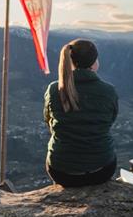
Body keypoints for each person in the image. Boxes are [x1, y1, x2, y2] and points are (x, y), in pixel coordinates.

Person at [43, 39, 119, 187]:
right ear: (94, 62)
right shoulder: (108, 91)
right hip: (101, 170)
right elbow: (109, 121)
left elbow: (49, 122)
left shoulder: (54, 90)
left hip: (62, 172)